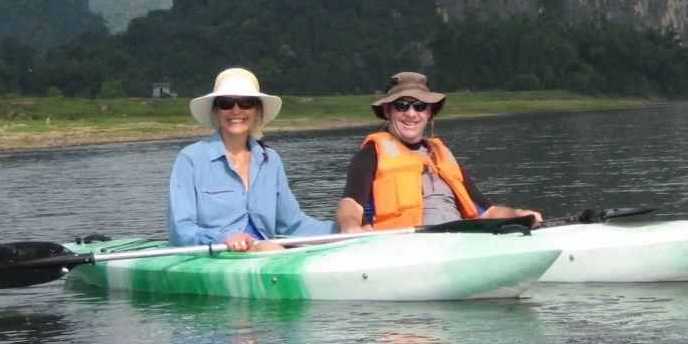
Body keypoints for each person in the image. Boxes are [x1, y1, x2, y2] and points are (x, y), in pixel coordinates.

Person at [335, 71, 542, 232]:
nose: (411, 113)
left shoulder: (443, 155)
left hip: (460, 241)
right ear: (388, 111)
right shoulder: (371, 154)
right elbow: (351, 204)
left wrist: (519, 214)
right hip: (404, 247)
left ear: (429, 112)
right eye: (402, 105)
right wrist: (350, 225)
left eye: (419, 106)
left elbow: (487, 211)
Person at [168, 67, 336, 250]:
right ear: (216, 110)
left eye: (246, 103)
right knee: (267, 248)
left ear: (257, 111)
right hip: (217, 256)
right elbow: (181, 229)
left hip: (266, 254)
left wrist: (344, 230)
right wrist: (224, 238)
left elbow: (292, 224)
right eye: (226, 103)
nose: (236, 110)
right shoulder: (190, 159)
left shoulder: (271, 160)